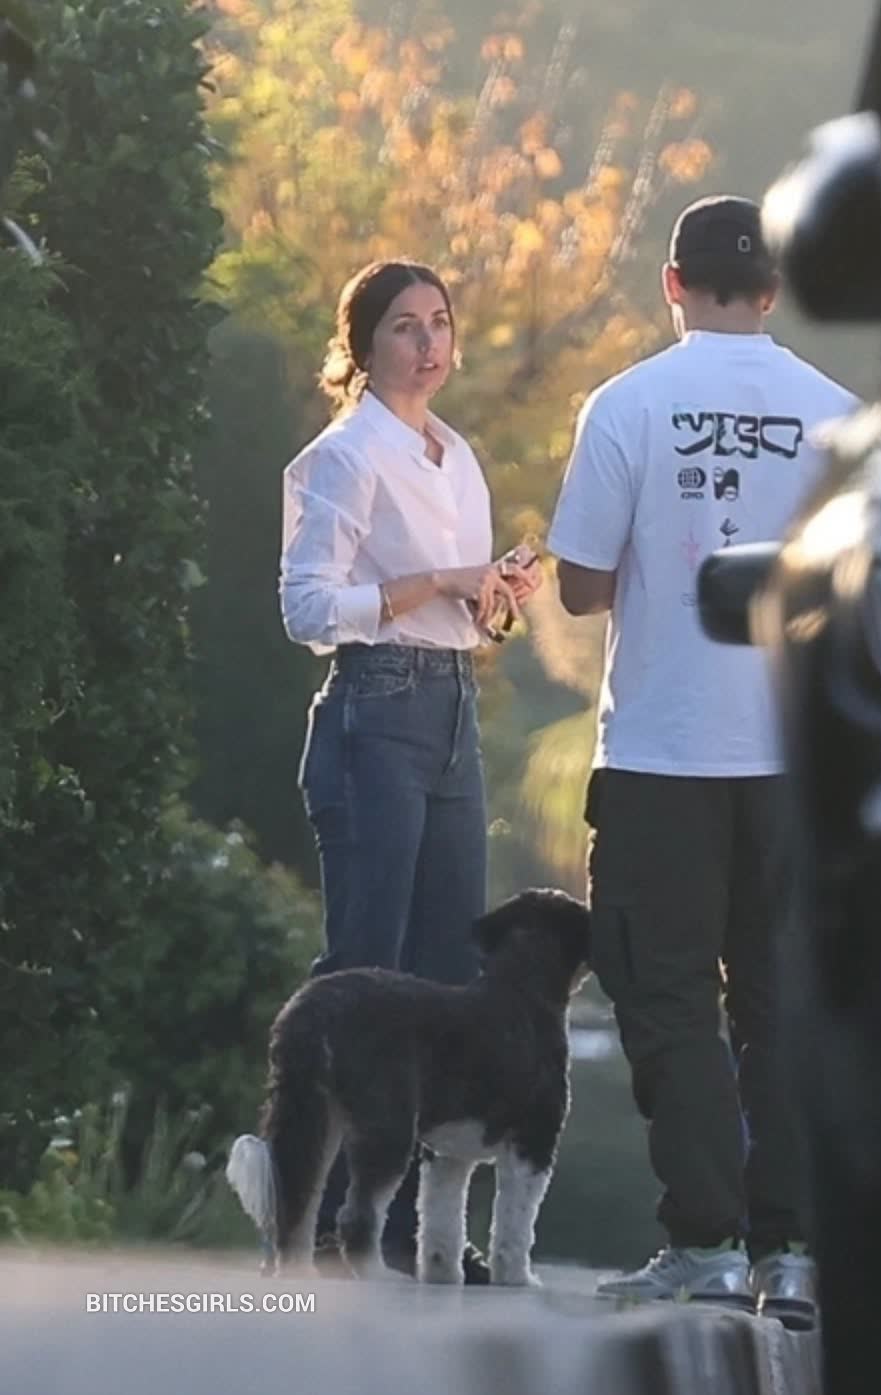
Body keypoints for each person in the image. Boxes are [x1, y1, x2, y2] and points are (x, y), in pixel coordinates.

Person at [546, 196, 857, 1321]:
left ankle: (706, 1242)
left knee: (669, 993)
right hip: (794, 761)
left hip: (663, 753)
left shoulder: (626, 404)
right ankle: (796, 1252)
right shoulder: (840, 418)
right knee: (784, 1002)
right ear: (773, 289)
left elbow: (580, 585)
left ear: (672, 283)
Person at [279, 258, 541, 1281]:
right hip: (373, 709)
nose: (429, 344)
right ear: (363, 345)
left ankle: (400, 1229)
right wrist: (436, 581)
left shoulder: (456, 455)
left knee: (446, 977)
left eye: (440, 322)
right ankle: (317, 1215)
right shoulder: (342, 457)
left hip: (450, 708)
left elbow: (459, 608)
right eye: (404, 326)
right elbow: (307, 610)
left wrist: (491, 593)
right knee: (365, 969)